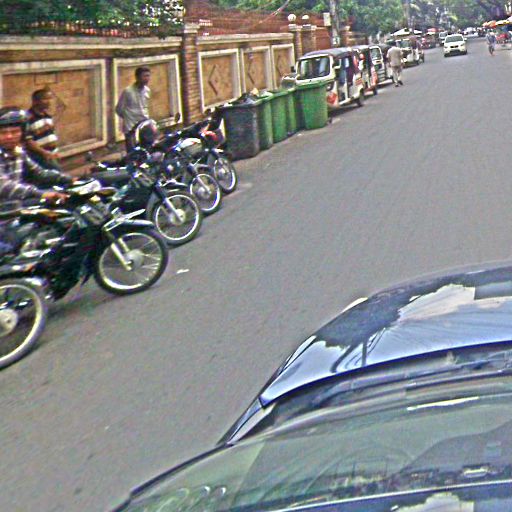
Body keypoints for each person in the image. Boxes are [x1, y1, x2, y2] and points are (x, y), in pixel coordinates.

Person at [0, 107, 71, 254]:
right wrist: (41, 193)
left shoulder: (18, 153)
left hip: (12, 216)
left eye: (15, 132)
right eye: (3, 133)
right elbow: (5, 186)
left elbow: (38, 173)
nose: (9, 136)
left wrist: (67, 179)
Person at [115, 67, 152, 153]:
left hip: (144, 126)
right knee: (132, 153)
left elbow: (145, 107)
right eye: (144, 76)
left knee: (145, 151)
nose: (147, 79)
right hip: (131, 127)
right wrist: (128, 117)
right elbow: (118, 109)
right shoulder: (128, 91)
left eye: (148, 76)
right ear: (137, 77)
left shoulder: (147, 91)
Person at [25, 88, 62, 171]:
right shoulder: (28, 118)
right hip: (40, 156)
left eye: (50, 98)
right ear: (36, 101)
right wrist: (44, 152)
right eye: (45, 99)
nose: (49, 102)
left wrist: (55, 152)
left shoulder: (47, 116)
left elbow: (50, 135)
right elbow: (29, 141)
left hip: (52, 155)